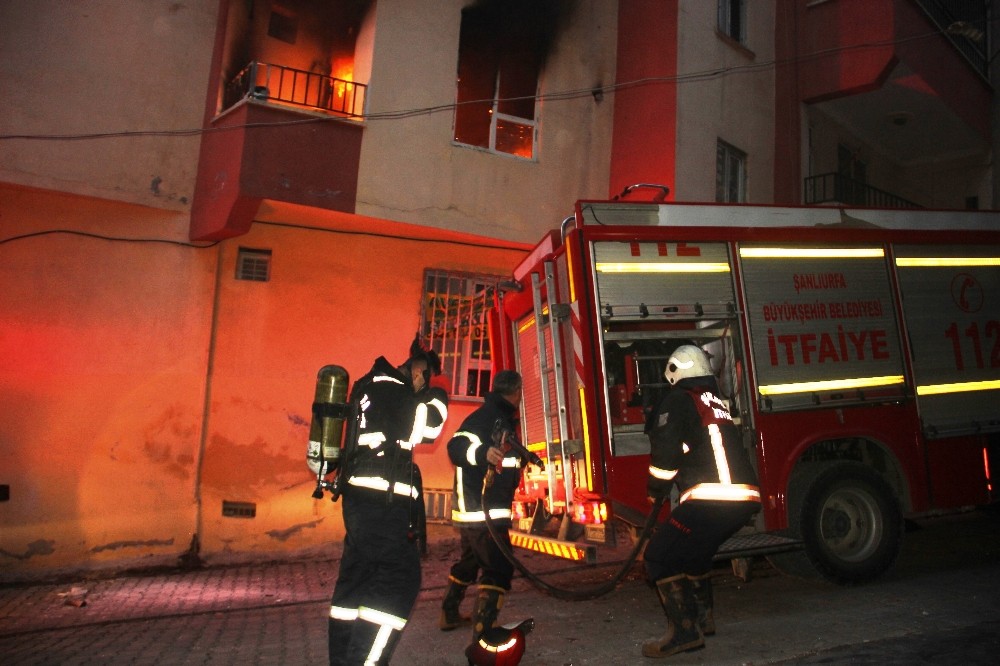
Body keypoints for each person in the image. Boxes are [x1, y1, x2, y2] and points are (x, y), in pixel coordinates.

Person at [327, 348, 448, 666]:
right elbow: (430, 427)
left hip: (361, 506)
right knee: (399, 582)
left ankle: (343, 660)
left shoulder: (367, 386)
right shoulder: (392, 391)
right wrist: (437, 395)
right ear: (419, 371)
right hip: (383, 507)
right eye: (426, 378)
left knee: (357, 584)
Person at [641, 345, 761, 659]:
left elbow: (665, 456)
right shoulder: (712, 400)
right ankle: (703, 620)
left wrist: (655, 489)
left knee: (658, 556)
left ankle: (684, 633)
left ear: (674, 371)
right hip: (743, 498)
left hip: (714, 497)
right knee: (695, 552)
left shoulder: (678, 399)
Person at [440, 370, 526, 642]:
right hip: (483, 511)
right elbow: (455, 446)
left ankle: (449, 612)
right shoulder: (486, 418)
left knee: (471, 560)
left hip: (477, 510)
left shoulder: (499, 418)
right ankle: (485, 634)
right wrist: (481, 453)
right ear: (517, 392)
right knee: (498, 567)